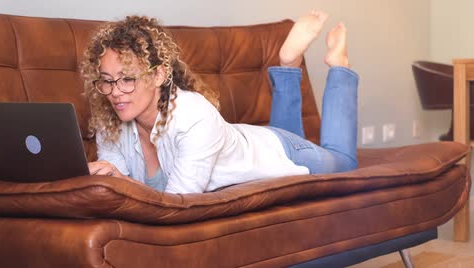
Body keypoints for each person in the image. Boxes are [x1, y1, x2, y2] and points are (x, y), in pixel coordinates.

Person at [82, 11, 358, 194]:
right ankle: (288, 64)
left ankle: (339, 66)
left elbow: (181, 204)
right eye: (106, 80)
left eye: (127, 79)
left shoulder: (193, 116)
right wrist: (109, 178)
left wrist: (120, 181)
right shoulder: (111, 123)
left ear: (158, 75)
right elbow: (120, 190)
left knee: (345, 164)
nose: (115, 91)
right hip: (254, 140)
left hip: (280, 149)